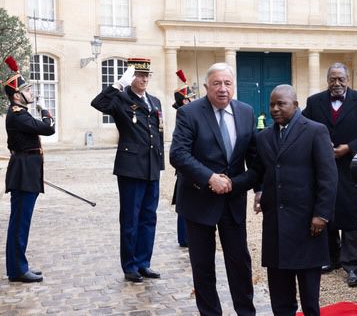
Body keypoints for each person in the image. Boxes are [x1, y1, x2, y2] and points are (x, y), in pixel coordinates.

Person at [170, 62, 257, 316]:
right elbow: (178, 154)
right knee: (203, 265)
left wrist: (258, 189)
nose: (222, 89)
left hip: (233, 201)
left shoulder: (246, 112)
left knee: (240, 263)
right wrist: (209, 178)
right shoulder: (189, 113)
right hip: (198, 200)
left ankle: (246, 312)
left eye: (227, 83)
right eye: (216, 84)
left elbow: (254, 158)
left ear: (234, 87)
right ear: (207, 87)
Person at [252, 84, 338, 316]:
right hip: (275, 227)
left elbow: (328, 177)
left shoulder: (315, 131)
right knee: (280, 298)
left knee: (310, 299)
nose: (275, 109)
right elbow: (260, 172)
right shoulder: (263, 137)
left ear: (296, 105)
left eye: (281, 104)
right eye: (272, 104)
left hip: (307, 225)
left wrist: (321, 214)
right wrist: (258, 190)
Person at [302, 62, 357, 287]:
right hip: (322, 167)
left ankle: (351, 265)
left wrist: (349, 147)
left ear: (348, 79)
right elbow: (304, 125)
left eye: (341, 79)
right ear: (327, 80)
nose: (336, 83)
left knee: (349, 215)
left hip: (349, 168)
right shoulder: (314, 101)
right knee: (324, 209)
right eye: (332, 79)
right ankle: (330, 258)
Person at [91, 58, 164, 283]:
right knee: (131, 218)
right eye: (139, 75)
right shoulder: (121, 99)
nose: (143, 79)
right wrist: (118, 84)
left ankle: (144, 262)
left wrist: (161, 161)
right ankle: (130, 265)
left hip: (152, 166)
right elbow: (98, 103)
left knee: (148, 217)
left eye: (146, 75)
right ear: (131, 77)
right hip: (131, 168)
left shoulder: (155, 101)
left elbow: (157, 133)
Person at [3, 56, 55, 283]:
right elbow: (48, 130)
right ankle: (17, 270)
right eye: (27, 89)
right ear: (17, 95)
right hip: (24, 172)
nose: (32, 93)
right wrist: (46, 113)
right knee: (20, 222)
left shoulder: (20, 114)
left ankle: (19, 265)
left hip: (28, 171)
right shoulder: (18, 116)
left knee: (22, 221)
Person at [171, 84, 196, 247]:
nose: (194, 99)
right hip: (187, 165)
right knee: (184, 202)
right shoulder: (184, 115)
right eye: (191, 97)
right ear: (185, 101)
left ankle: (187, 237)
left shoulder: (189, 112)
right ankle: (185, 238)